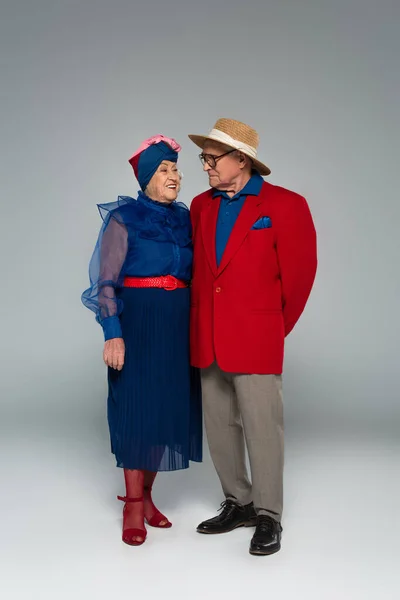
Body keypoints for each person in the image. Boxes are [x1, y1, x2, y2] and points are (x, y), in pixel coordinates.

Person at [188, 118, 317, 555]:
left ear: (240, 160)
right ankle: (238, 501)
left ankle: (268, 515)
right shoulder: (199, 207)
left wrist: (273, 329)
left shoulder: (286, 205)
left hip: (257, 336)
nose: (204, 165)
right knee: (220, 428)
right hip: (208, 337)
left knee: (263, 429)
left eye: (211, 158)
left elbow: (300, 278)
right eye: (203, 157)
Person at [81, 135, 202, 546]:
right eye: (164, 170)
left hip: (176, 326)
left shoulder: (185, 219)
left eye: (176, 169)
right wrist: (113, 334)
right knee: (135, 408)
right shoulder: (124, 218)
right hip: (138, 324)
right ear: (147, 177)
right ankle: (132, 504)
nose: (175, 176)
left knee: (164, 409)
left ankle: (148, 497)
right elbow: (106, 282)